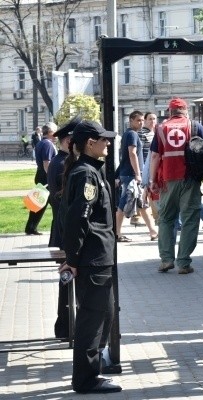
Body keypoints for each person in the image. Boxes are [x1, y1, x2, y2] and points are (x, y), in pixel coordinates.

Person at [58, 120, 121, 394]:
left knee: (105, 314)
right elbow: (78, 219)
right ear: (90, 143)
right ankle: (85, 379)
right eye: (103, 139)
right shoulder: (86, 174)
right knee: (92, 320)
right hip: (92, 259)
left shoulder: (91, 170)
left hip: (99, 257)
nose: (108, 143)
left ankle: (92, 369)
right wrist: (73, 259)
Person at [150, 98, 201, 275]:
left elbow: (155, 156)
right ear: (185, 111)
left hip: (168, 180)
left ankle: (166, 260)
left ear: (170, 112)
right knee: (190, 219)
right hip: (190, 179)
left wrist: (152, 180)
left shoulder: (161, 128)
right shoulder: (194, 126)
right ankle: (184, 263)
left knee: (165, 219)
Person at [47, 117, 79, 339]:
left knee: (67, 281)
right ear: (69, 141)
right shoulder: (62, 165)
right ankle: (65, 327)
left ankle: (65, 327)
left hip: (63, 231)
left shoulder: (62, 162)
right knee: (67, 281)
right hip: (66, 233)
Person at [115, 110, 158, 242]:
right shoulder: (132, 134)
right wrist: (138, 174)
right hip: (131, 175)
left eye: (142, 120)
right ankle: (117, 233)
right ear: (131, 121)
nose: (141, 123)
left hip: (129, 174)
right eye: (138, 120)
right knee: (124, 204)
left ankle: (153, 232)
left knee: (142, 203)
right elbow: (132, 153)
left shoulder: (128, 134)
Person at [25, 122, 58, 235]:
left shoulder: (40, 143)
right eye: (55, 131)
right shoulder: (48, 144)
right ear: (50, 132)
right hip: (46, 176)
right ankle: (61, 227)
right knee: (57, 203)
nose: (57, 135)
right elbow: (46, 163)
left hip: (40, 175)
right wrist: (51, 177)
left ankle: (30, 227)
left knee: (39, 203)